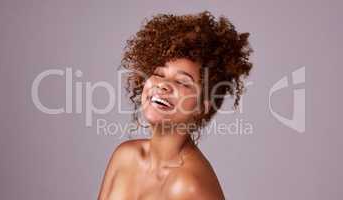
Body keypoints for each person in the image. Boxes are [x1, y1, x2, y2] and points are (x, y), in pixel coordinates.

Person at [98, 10, 253, 200]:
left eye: (182, 82)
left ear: (202, 107)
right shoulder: (124, 156)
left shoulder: (190, 185)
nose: (163, 85)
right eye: (159, 74)